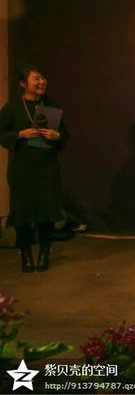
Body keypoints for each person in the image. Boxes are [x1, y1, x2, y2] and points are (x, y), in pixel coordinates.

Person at [0, 67, 68, 273]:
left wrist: (57, 136)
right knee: (22, 214)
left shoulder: (51, 107)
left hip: (47, 168)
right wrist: (19, 134)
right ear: (23, 83)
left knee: (47, 213)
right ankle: (26, 257)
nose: (42, 82)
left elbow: (65, 136)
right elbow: (1, 134)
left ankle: (44, 255)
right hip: (22, 169)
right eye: (36, 78)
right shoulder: (12, 108)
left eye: (43, 78)